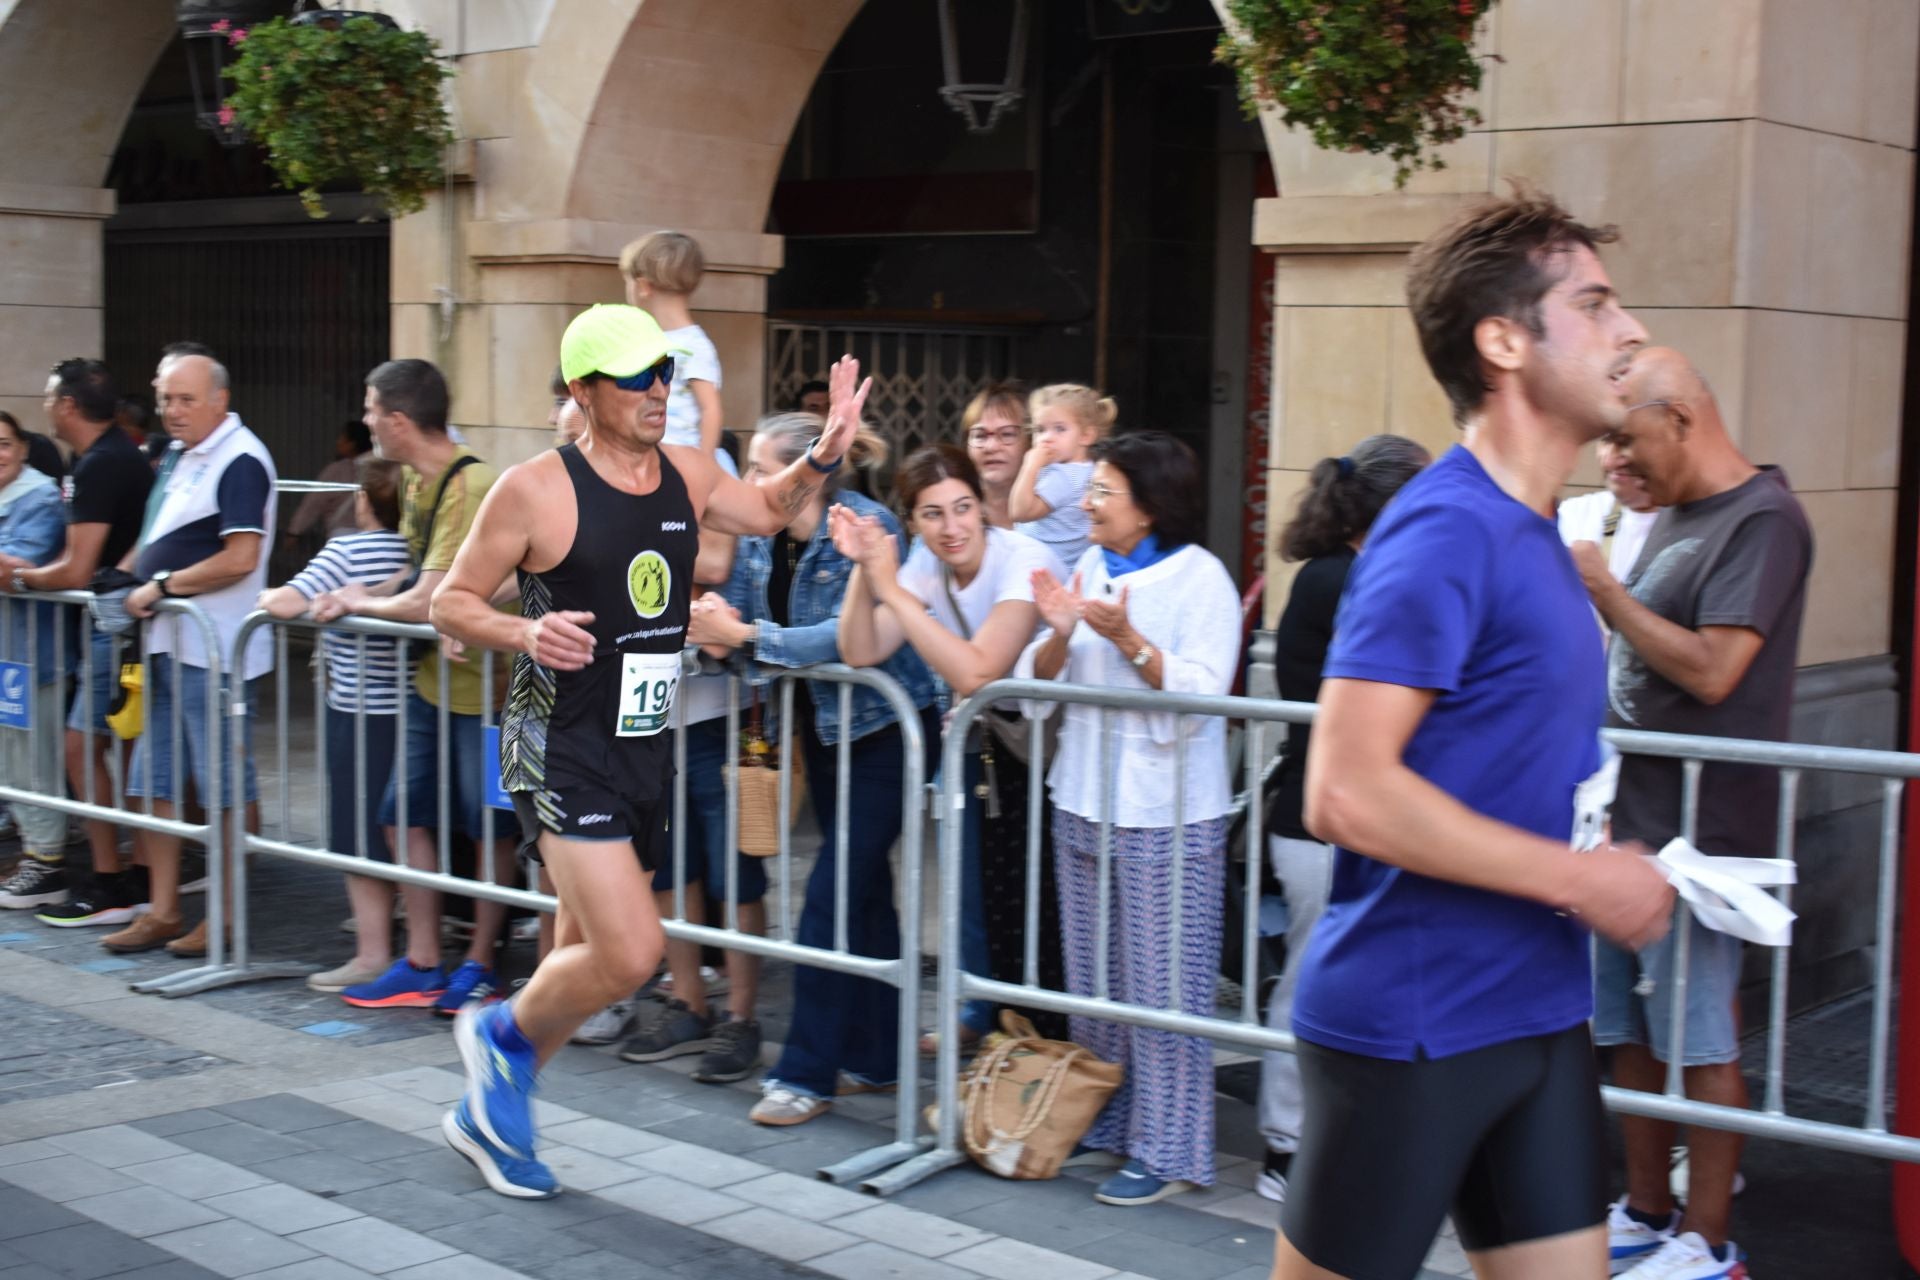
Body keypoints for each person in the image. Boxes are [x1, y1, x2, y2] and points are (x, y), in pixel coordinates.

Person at [1269, 189, 1677, 1280]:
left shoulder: (1536, 530)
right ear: (1504, 340)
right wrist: (1582, 879)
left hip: (1537, 1010)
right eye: (1594, 305)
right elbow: (1344, 793)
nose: (1630, 329)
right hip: (1414, 1020)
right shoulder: (1445, 528)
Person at [427, 304, 868, 1197]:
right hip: (555, 741)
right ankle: (499, 1036)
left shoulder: (690, 472)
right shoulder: (534, 489)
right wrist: (525, 633)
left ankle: (491, 1111)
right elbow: (451, 602)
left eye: (662, 371)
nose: (657, 390)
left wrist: (824, 453)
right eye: (634, 377)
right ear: (584, 391)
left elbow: (773, 509)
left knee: (580, 949)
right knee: (631, 955)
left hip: (642, 742)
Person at [1575, 347, 1812, 1280]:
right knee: (1629, 1034)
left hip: (1707, 838)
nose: (1616, 464)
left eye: (1628, 442)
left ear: (1683, 419)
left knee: (1701, 1040)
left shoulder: (1764, 517)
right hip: (1633, 817)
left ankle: (1710, 1245)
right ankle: (1647, 1208)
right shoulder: (1672, 515)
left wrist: (1602, 589)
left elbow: (1715, 670)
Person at [674, 412, 933, 1100]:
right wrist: (716, 636)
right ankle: (880, 1056)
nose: (752, 482)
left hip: (888, 728)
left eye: (760, 469)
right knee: (866, 897)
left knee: (828, 897)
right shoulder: (759, 535)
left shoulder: (868, 523)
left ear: (806, 473)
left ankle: (803, 1072)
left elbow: (836, 641)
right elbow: (731, 616)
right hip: (818, 729)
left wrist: (747, 634)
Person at [1012, 431, 1241, 1205]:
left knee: (1162, 987)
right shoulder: (1089, 566)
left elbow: (1203, 700)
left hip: (1165, 811)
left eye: (1105, 490)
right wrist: (1064, 632)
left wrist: (1131, 641)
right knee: (1096, 979)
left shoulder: (1200, 578)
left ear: (1151, 505)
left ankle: (1170, 1148)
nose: (1088, 502)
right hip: (1082, 793)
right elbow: (1040, 681)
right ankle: (1106, 1121)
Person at [833, 444, 1057, 1058]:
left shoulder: (1024, 559)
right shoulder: (925, 569)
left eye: (963, 508)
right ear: (913, 523)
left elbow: (980, 670)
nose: (952, 527)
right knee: (971, 887)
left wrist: (894, 591)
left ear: (983, 506)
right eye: (932, 515)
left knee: (1035, 896)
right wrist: (863, 571)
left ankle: (1039, 1035)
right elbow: (860, 649)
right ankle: (983, 1014)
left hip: (1048, 750)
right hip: (980, 745)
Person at [310, 359, 517, 1017]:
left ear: (399, 421)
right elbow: (414, 581)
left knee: (490, 831)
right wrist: (367, 593)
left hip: (487, 688)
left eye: (371, 410)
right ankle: (423, 961)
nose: (365, 420)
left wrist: (354, 604)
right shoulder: (419, 483)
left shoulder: (472, 485)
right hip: (435, 683)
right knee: (404, 816)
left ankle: (482, 964)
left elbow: (428, 598)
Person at [1253, 434, 1429, 1205]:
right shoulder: (1343, 581)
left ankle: (1341, 1140)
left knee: (1354, 987)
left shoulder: (1355, 575)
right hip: (1325, 822)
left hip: (1355, 818)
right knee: (1311, 984)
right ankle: (1287, 1145)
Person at [114, 353, 277, 957]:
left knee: (222, 786)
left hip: (213, 648)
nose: (172, 411)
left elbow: (239, 557)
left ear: (219, 399)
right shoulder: (185, 455)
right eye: (165, 399)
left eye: (185, 399)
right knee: (156, 777)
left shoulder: (239, 458)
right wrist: (124, 577)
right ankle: (162, 908)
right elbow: (159, 535)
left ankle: (227, 917)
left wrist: (160, 587)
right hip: (170, 640)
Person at [257, 460, 412, 992]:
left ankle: (371, 952)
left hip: (359, 710)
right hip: (411, 708)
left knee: (359, 832)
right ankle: (418, 947)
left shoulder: (347, 551)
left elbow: (285, 601)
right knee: (410, 828)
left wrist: (262, 599)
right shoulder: (419, 555)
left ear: (364, 502)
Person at [12, 360, 152, 928]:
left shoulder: (101, 464)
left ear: (67, 405)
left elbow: (75, 570)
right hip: (118, 629)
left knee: (82, 746)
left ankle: (111, 880)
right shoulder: (105, 456)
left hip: (113, 632)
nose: (44, 407)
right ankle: (133, 871)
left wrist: (19, 575)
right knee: (123, 750)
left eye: (49, 398)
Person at [0, 412, 72, 906]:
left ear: (24, 448)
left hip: (28, 656)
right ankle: (35, 849)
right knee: (12, 759)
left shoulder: (40, 497)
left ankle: (47, 860)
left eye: (3, 443)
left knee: (31, 760)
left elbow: (20, 564)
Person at [621, 231, 723, 456]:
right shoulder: (647, 338)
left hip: (682, 460)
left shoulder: (693, 345)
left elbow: (710, 409)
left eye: (627, 281)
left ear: (643, 286)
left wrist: (705, 466)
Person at [1008, 383, 1114, 570]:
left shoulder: (1064, 476)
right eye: (1040, 430)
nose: (1046, 438)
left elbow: (1019, 512)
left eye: (1059, 429)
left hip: (1042, 570)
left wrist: (1029, 466)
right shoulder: (1090, 469)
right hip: (1067, 568)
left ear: (1086, 436)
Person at [1557, 436, 1660, 587]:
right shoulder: (1573, 513)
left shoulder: (1696, 530)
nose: (1608, 461)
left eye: (1627, 442)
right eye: (1606, 440)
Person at [285, 420, 373, 547]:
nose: (338, 442)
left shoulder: (337, 470)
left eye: (342, 438)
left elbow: (313, 503)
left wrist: (294, 531)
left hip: (341, 539)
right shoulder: (382, 470)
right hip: (371, 540)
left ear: (352, 444)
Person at [962, 382, 1029, 530]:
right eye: (980, 435)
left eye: (1007, 434)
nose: (991, 447)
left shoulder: (1057, 512)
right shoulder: (952, 511)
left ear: (1030, 442)